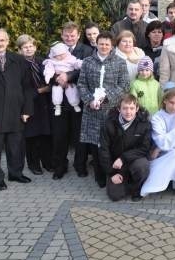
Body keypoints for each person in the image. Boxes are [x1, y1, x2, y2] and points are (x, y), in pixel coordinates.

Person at [77, 31, 129, 187]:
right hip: (92, 109)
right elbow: (81, 84)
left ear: (112, 45)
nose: (104, 46)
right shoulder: (87, 62)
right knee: (95, 143)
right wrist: (89, 100)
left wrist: (107, 97)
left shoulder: (119, 62)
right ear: (96, 44)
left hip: (111, 109)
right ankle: (99, 175)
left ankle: (111, 174)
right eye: (101, 44)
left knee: (111, 142)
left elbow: (124, 85)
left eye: (107, 44)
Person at [0, 29, 34, 190]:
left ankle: (16, 173)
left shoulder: (18, 60)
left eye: (2, 40)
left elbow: (27, 87)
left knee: (16, 146)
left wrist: (27, 109)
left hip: (16, 111)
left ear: (7, 42)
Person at [50, 22, 93, 180]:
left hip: (79, 100)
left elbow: (86, 69)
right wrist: (56, 77)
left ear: (78, 35)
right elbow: (47, 65)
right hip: (59, 102)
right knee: (59, 135)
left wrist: (68, 76)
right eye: (66, 35)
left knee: (79, 135)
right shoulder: (54, 49)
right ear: (62, 35)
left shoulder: (87, 50)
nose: (69, 38)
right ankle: (60, 166)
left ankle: (80, 165)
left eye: (72, 35)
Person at [140, 88, 175, 198]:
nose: (174, 107)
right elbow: (162, 142)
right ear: (165, 101)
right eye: (171, 103)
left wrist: (160, 148)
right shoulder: (157, 117)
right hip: (163, 155)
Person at [99, 93, 151, 201]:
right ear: (119, 109)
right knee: (115, 196)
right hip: (116, 166)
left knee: (143, 166)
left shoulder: (144, 123)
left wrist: (123, 158)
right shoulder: (108, 124)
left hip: (133, 161)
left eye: (132, 108)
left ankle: (137, 188)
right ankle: (125, 182)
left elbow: (145, 148)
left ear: (137, 108)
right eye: (125, 108)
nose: (128, 112)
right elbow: (104, 150)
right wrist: (111, 173)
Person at [17, 35, 52, 175]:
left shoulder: (42, 62)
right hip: (28, 104)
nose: (28, 49)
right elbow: (19, 88)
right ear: (19, 50)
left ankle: (47, 162)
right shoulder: (17, 65)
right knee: (31, 137)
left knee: (45, 134)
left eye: (30, 46)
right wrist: (39, 90)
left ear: (35, 47)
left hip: (44, 103)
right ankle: (33, 164)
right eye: (25, 47)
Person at [43, 42, 83, 116]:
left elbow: (76, 63)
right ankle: (57, 106)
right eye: (58, 55)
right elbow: (49, 69)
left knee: (72, 91)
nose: (61, 57)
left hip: (69, 81)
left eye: (62, 54)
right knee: (56, 92)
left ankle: (75, 104)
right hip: (57, 80)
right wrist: (48, 76)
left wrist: (82, 64)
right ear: (54, 55)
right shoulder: (52, 61)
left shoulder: (70, 58)